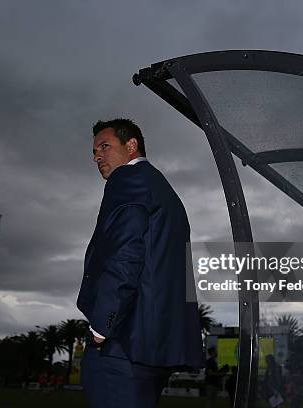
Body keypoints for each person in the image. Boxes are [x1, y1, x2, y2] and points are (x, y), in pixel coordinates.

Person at [77, 118, 204, 408]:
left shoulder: (128, 179)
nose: (97, 156)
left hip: (122, 343)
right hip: (152, 347)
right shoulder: (164, 189)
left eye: (104, 146)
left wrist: (102, 326)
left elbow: (125, 254)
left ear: (131, 145)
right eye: (94, 151)